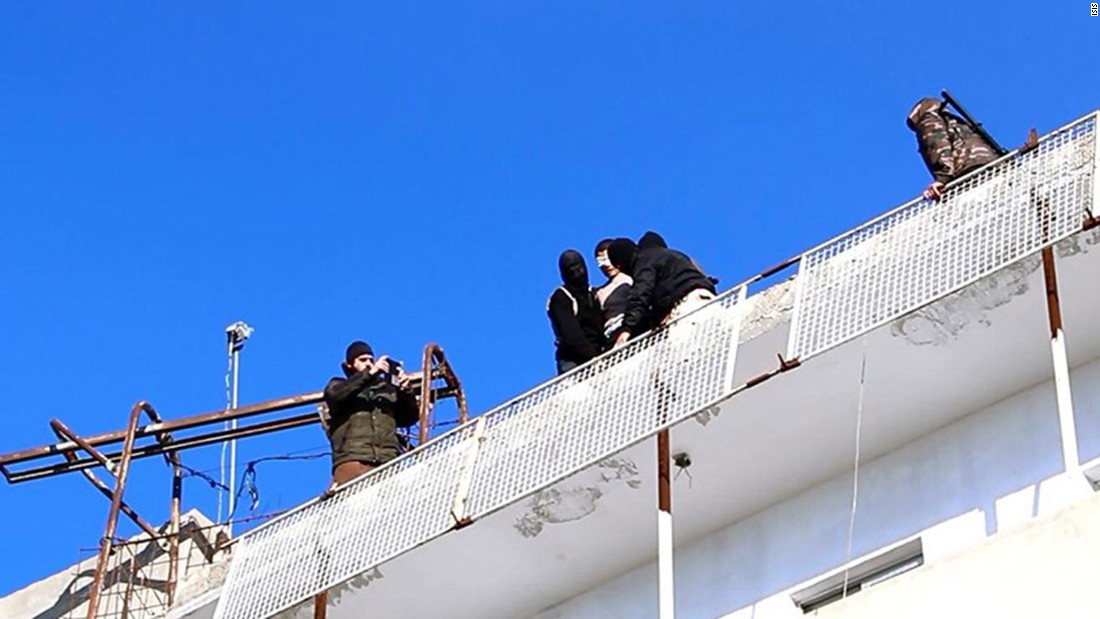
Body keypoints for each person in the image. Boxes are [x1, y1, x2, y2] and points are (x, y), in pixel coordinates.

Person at [322, 340, 419, 493]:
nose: (368, 363)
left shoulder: (386, 390)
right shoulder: (339, 385)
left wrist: (405, 391)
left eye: (370, 360)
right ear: (349, 365)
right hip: (354, 459)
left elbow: (408, 418)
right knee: (349, 509)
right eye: (362, 360)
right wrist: (371, 373)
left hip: (388, 462)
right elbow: (334, 395)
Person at [607, 234, 717, 348]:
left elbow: (641, 293)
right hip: (708, 300)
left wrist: (627, 328)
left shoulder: (643, 261)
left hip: (687, 309)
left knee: (684, 355)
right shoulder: (674, 256)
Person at [907, 97, 999, 200]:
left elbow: (937, 145)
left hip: (968, 174)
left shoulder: (928, 120)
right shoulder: (957, 122)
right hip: (995, 168)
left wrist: (942, 179)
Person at [547, 249, 607, 374]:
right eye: (569, 268)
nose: (575, 271)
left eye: (577, 266)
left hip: (600, 357)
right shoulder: (561, 297)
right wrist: (592, 358)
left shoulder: (593, 294)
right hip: (573, 361)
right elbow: (570, 334)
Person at [593, 238, 633, 342]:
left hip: (631, 329)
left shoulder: (631, 278)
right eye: (601, 262)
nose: (606, 265)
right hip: (610, 338)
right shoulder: (599, 292)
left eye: (607, 259)